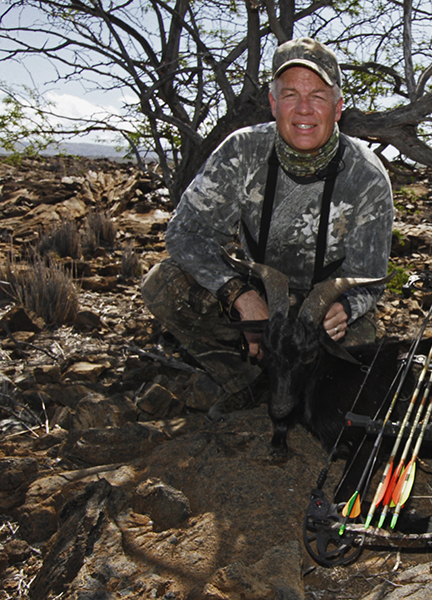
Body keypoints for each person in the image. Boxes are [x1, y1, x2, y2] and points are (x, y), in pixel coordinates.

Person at [141, 37, 394, 419]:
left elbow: (370, 277)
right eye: (290, 95)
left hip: (320, 312)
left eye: (319, 96)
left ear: (338, 107)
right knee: (163, 283)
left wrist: (343, 307)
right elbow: (185, 233)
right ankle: (246, 383)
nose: (304, 109)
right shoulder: (240, 151)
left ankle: (298, 392)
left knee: (357, 354)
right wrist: (238, 295)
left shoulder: (367, 174)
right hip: (258, 301)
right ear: (274, 104)